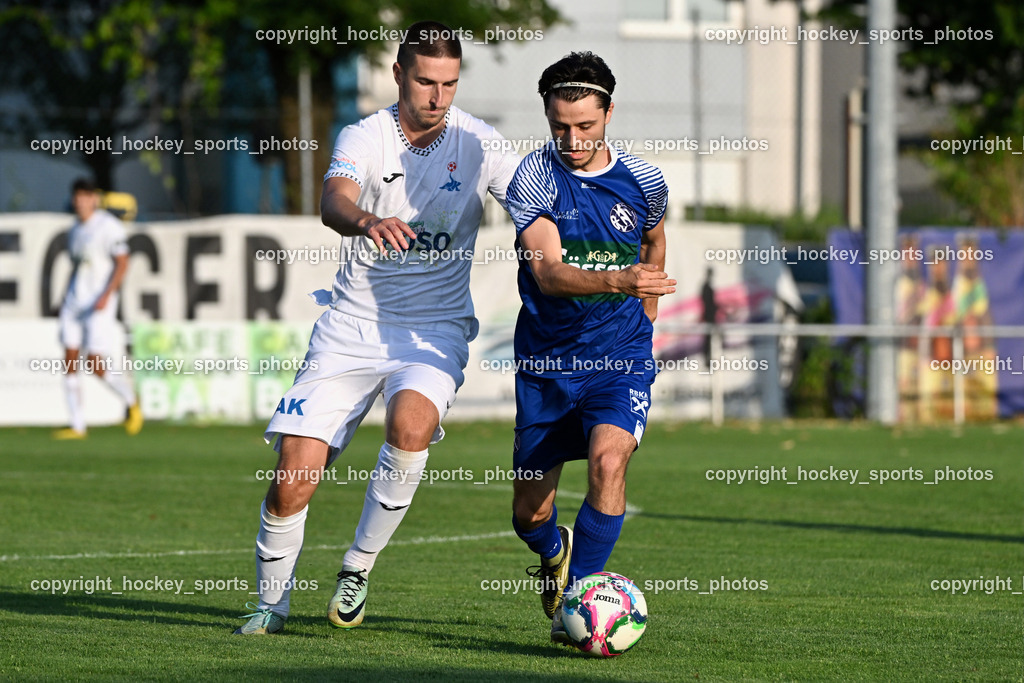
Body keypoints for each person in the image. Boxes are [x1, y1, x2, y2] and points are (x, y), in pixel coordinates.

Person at [234, 21, 521, 635]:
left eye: (449, 83)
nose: (437, 95)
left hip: (432, 330)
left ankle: (358, 566)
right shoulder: (365, 136)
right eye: (425, 81)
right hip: (351, 327)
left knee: (410, 424)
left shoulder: (480, 141)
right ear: (398, 75)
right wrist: (365, 219)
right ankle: (270, 604)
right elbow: (333, 199)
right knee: (292, 479)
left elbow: (529, 200)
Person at [502, 51, 674, 643]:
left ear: (608, 114)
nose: (572, 140)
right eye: (559, 127)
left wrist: (643, 315)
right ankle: (553, 553)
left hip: (619, 356)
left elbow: (654, 240)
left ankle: (580, 598)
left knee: (608, 462)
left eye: (585, 126)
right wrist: (620, 280)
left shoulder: (646, 181)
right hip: (548, 363)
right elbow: (548, 272)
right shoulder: (534, 178)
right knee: (529, 513)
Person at [54, 178, 142, 440]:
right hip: (74, 303)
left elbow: (122, 262)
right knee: (69, 360)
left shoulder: (108, 226)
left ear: (94, 198)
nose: (81, 201)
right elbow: (78, 268)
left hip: (98, 304)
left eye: (86, 196)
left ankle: (131, 399)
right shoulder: (74, 230)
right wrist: (64, 296)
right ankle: (77, 425)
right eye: (77, 196)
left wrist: (107, 294)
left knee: (94, 363)